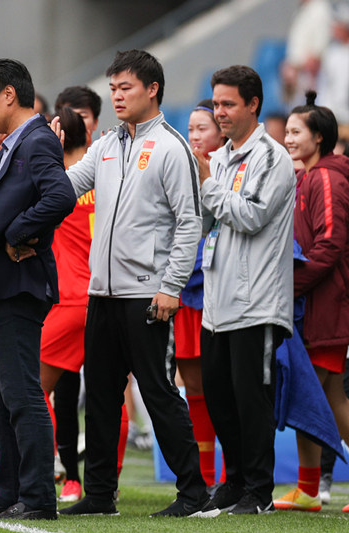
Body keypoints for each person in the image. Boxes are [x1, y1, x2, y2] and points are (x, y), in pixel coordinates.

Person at [63, 49, 209, 517]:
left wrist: (171, 287)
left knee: (159, 392)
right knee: (102, 397)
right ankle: (100, 495)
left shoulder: (171, 146)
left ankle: (193, 493)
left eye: (126, 87)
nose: (117, 96)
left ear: (153, 90)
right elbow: (66, 188)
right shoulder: (106, 145)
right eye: (113, 88)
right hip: (101, 292)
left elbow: (191, 223)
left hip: (148, 293)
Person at [0, 58, 76, 521]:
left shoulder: (39, 139)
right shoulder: (12, 142)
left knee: (22, 392)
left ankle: (39, 495)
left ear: (8, 95)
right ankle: (9, 492)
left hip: (19, 283)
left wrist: (15, 234)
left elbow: (60, 196)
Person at [193, 65, 295, 515]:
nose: (220, 113)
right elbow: (206, 221)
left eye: (228, 104)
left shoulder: (272, 157)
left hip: (258, 302)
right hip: (217, 301)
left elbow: (251, 215)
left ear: (253, 104)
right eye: (216, 103)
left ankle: (259, 491)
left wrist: (207, 184)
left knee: (251, 400)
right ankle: (233, 483)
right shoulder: (219, 158)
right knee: (218, 394)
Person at [273, 92, 349, 513]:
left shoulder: (326, 178)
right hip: (316, 303)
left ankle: (307, 488)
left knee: (311, 395)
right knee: (327, 397)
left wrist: (292, 286)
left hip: (327, 303)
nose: (287, 139)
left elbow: (331, 243)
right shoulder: (309, 175)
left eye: (296, 132)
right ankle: (306, 490)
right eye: (286, 132)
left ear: (318, 137)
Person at [38, 106, 98, 505]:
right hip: (105, 296)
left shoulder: (58, 186)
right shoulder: (105, 181)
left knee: (30, 390)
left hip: (70, 299)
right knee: (109, 394)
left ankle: (42, 475)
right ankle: (93, 481)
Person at [179, 99, 227, 489]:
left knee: (224, 387)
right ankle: (206, 477)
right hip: (183, 293)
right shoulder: (179, 167)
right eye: (191, 129)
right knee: (193, 388)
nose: (194, 136)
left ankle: (234, 477)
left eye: (203, 128)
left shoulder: (230, 169)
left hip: (218, 292)